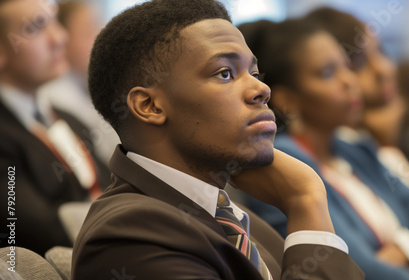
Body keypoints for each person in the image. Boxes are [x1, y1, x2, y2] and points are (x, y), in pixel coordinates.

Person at [71, 1, 364, 279]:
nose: (261, 89)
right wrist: (306, 201)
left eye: (255, 72)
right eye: (225, 73)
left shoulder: (235, 218)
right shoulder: (128, 235)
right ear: (150, 106)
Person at [238, 18, 409, 279]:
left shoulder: (356, 150)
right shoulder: (283, 163)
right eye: (327, 73)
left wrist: (406, 250)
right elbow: (358, 270)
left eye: (347, 67)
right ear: (288, 99)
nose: (349, 81)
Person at [0, 0, 108, 255]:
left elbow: (115, 188)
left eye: (55, 20)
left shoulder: (69, 119)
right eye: (36, 27)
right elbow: (39, 230)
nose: (60, 37)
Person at [39, 0, 119, 164]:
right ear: (63, 40)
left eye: (100, 26)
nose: (100, 38)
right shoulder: (55, 98)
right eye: (88, 31)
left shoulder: (89, 84)